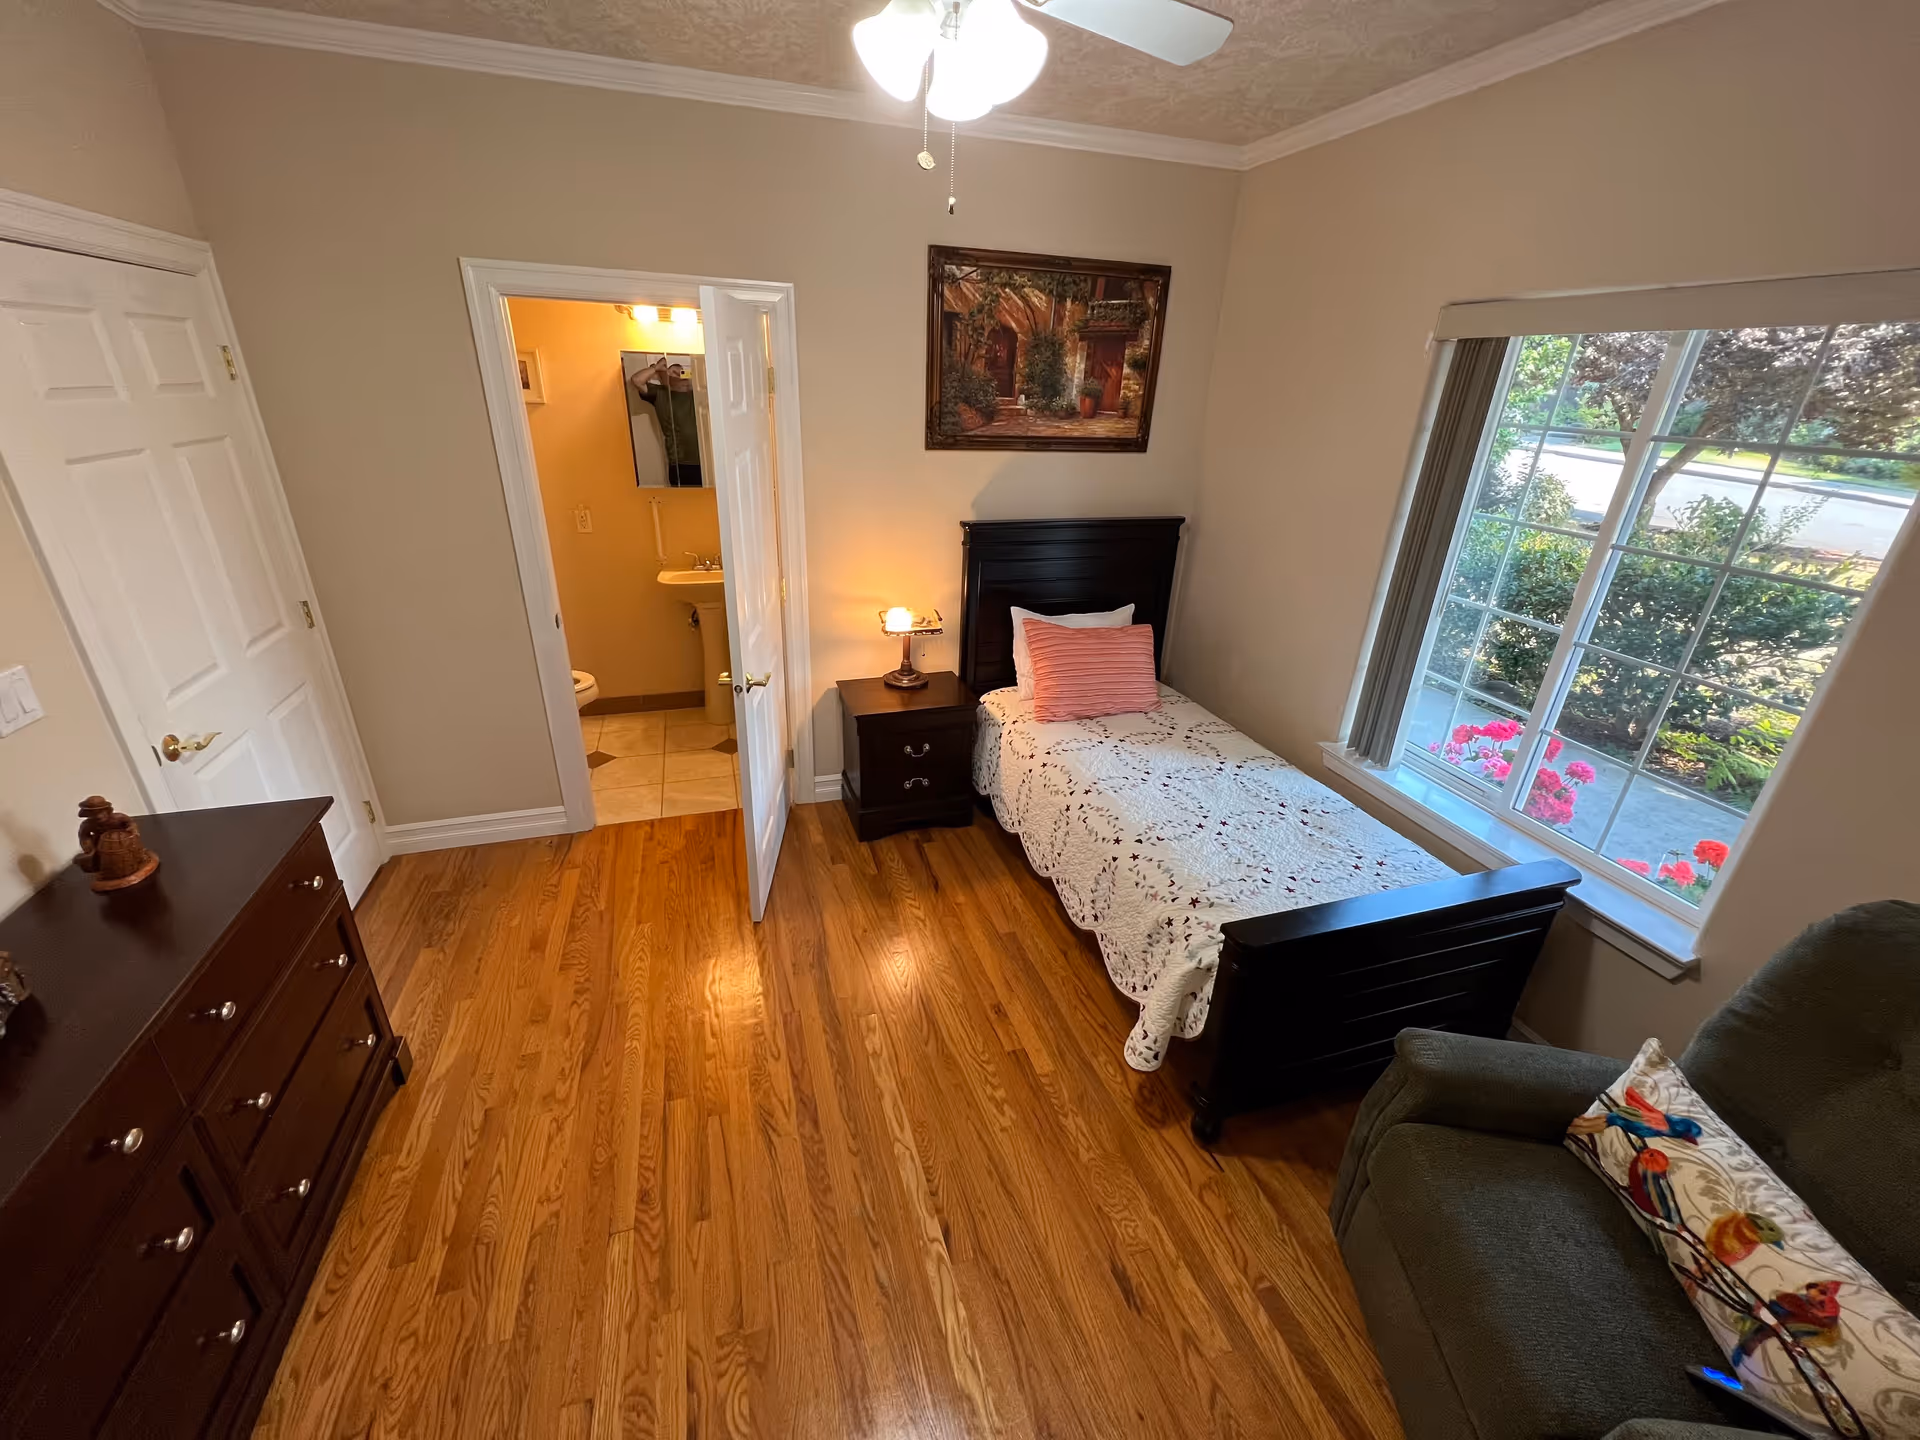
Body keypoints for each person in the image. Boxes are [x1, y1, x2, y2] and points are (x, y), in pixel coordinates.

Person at [629, 357, 704, 488]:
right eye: (673, 371)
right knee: (684, 504)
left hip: (708, 458)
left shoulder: (700, 393)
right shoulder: (660, 394)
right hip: (681, 463)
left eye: (681, 372)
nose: (679, 375)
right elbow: (637, 380)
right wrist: (656, 368)